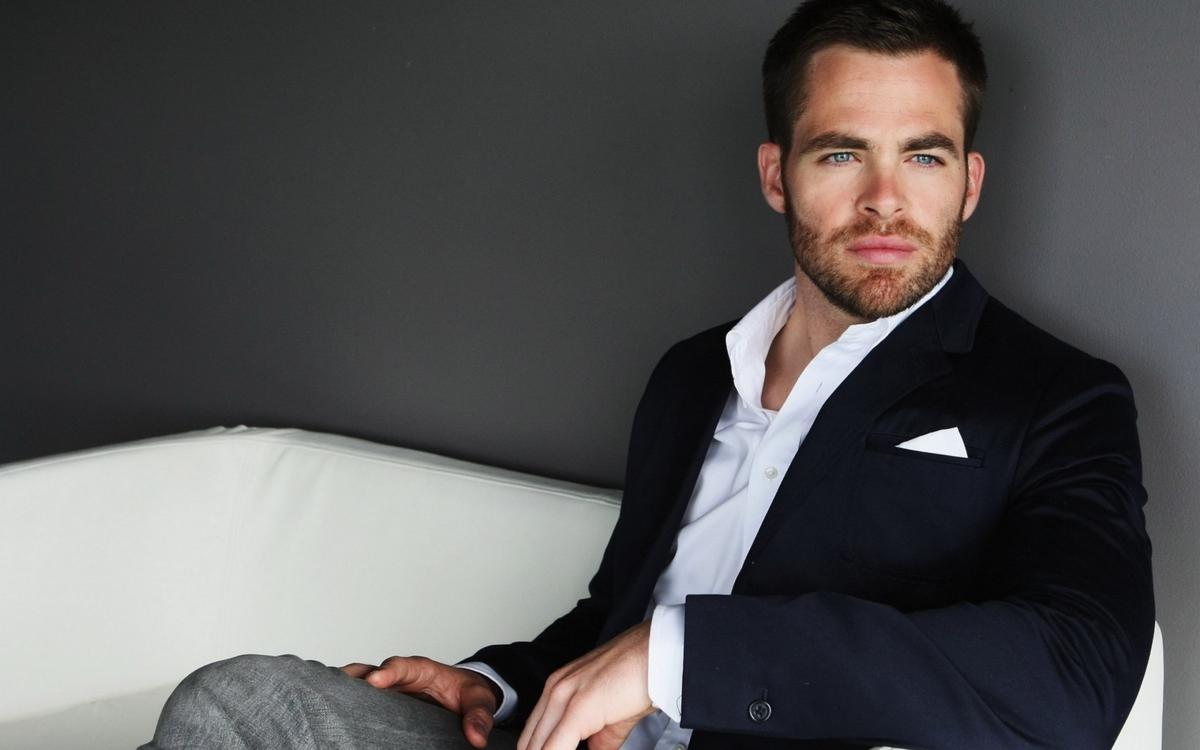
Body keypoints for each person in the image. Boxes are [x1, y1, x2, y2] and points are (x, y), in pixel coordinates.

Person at [143, 0, 1154, 748]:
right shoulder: (691, 375)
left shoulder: (1056, 396)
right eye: (843, 155)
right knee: (238, 704)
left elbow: (1078, 674)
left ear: (969, 183)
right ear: (777, 175)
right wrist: (496, 683)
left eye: (924, 158)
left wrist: (683, 658)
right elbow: (617, 615)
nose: (886, 200)